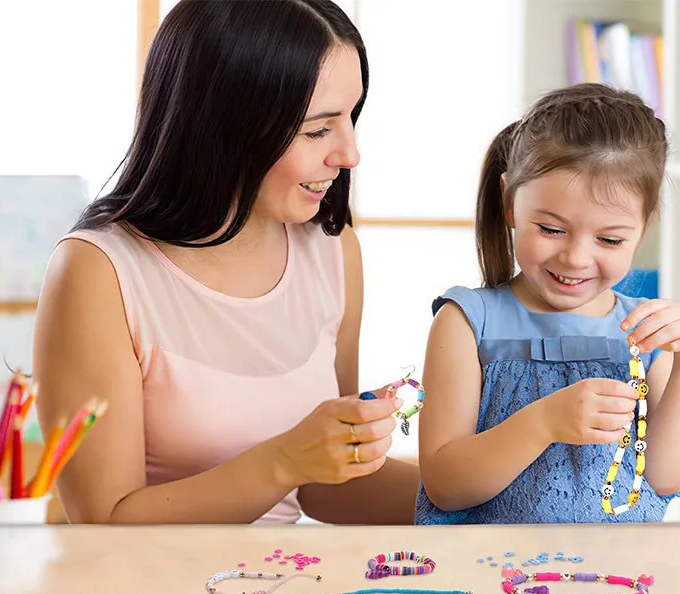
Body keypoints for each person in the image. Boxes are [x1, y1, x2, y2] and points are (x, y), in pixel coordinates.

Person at [32, 0, 418, 525]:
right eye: (317, 130)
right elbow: (103, 523)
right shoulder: (98, 272)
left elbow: (329, 488)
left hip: (279, 589)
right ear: (222, 125)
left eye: (351, 116)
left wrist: (490, 486)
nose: (350, 153)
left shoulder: (331, 250)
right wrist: (282, 461)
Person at [416, 84, 680, 524]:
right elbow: (445, 486)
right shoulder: (467, 323)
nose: (575, 258)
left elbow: (666, 478)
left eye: (609, 239)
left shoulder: (643, 330)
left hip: (626, 577)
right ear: (509, 202)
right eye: (551, 229)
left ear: (642, 229)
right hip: (496, 572)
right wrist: (542, 423)